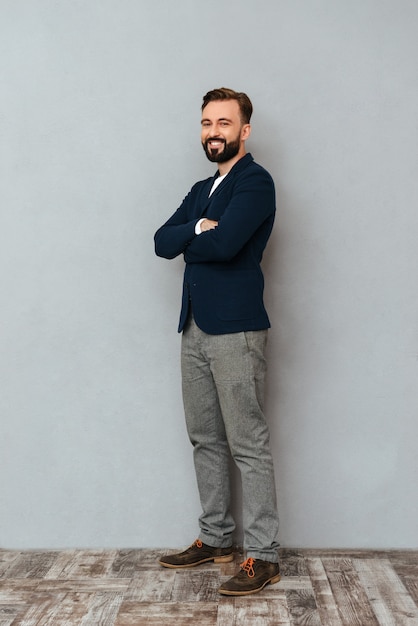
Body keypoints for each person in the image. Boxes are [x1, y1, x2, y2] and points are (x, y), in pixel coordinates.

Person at [154, 87, 280, 596]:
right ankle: (216, 536)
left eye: (224, 123)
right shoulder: (202, 188)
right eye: (208, 123)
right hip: (195, 328)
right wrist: (199, 226)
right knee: (204, 437)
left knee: (247, 444)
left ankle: (263, 554)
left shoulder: (256, 182)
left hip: (236, 330)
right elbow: (162, 242)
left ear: (244, 130)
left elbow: (227, 245)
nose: (214, 132)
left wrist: (201, 235)